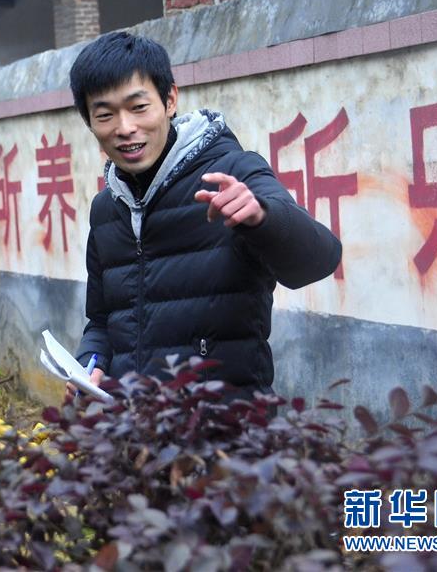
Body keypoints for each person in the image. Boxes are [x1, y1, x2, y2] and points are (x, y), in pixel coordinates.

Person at [66, 32, 342, 399]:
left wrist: (262, 218)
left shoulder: (234, 172)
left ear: (169, 100)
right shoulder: (106, 208)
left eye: (138, 107)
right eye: (105, 115)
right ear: (90, 123)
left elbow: (320, 260)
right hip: (135, 438)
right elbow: (101, 322)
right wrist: (92, 363)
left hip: (226, 435)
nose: (125, 128)